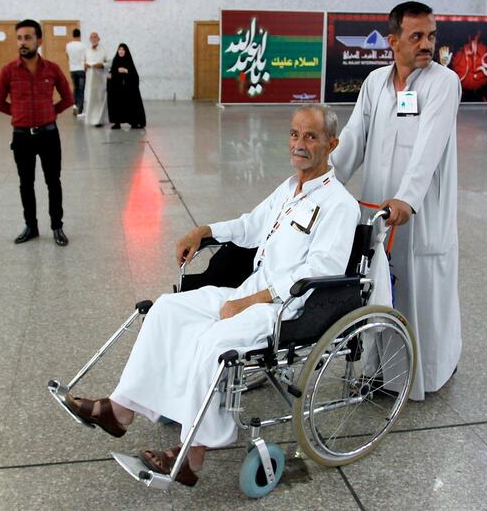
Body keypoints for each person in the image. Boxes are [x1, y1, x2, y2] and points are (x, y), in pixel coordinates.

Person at [62, 104, 360, 486]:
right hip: (250, 291)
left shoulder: (339, 205)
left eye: (311, 136)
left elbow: (318, 273)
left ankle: (192, 455)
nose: (298, 144)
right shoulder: (290, 188)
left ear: (332, 144)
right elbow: (251, 226)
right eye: (294, 134)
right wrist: (203, 231)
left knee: (212, 341)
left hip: (285, 310)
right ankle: (120, 410)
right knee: (166, 310)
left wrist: (250, 302)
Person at [330, 1, 462, 401]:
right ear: (393, 41)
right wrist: (323, 177)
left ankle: (428, 373)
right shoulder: (375, 83)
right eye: (416, 36)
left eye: (432, 36)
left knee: (419, 293)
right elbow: (354, 137)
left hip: (418, 214)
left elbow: (429, 148)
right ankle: (379, 373)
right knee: (380, 291)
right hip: (377, 213)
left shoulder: (443, 82)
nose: (427, 45)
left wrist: (407, 198)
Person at [0, 19, 73, 247]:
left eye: (28, 38)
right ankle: (31, 226)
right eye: (19, 38)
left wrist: (50, 113)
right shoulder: (8, 71)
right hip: (21, 137)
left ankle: (57, 226)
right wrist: (18, 115)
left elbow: (67, 98)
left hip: (49, 135)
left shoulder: (52, 69)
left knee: (53, 181)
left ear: (39, 40)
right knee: (25, 183)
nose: (23, 43)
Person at [107, 43, 146, 130]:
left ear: (126, 51)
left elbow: (135, 76)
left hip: (128, 89)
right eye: (119, 49)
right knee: (116, 103)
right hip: (117, 88)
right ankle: (117, 123)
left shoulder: (129, 61)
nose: (121, 51)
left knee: (131, 103)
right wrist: (117, 71)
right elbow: (111, 74)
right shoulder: (115, 61)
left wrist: (126, 70)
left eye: (123, 49)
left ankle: (134, 122)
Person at [83, 32, 109, 127]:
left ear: (99, 38)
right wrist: (84, 65)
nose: (93, 39)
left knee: (100, 99)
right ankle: (92, 120)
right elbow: (83, 62)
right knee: (91, 99)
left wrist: (102, 65)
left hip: (100, 79)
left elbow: (109, 63)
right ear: (90, 39)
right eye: (92, 37)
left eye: (95, 37)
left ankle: (99, 120)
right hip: (90, 80)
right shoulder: (87, 51)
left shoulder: (104, 50)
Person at [65, 29, 86, 117]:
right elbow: (85, 57)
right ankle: (80, 110)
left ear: (72, 35)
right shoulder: (83, 45)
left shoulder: (68, 45)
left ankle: (74, 106)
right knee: (81, 90)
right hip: (81, 69)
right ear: (79, 35)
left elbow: (67, 56)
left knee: (75, 88)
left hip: (72, 69)